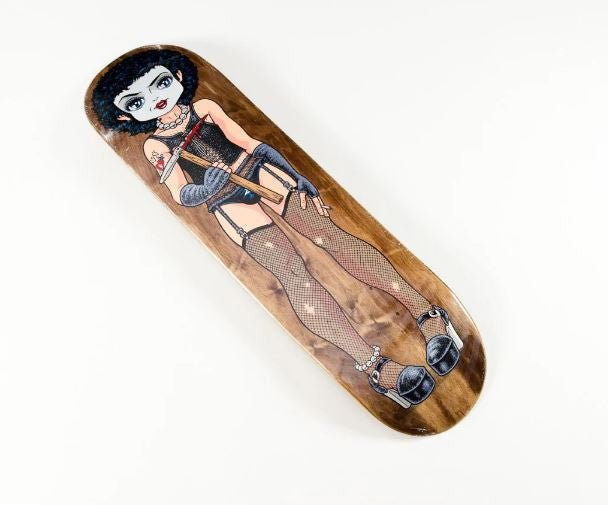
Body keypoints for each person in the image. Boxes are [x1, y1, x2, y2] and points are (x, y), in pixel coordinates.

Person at [92, 49, 464, 409]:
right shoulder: (156, 147)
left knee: (331, 237)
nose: (155, 100)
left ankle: (428, 314)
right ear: (125, 116)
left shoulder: (204, 108)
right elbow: (181, 194)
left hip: (258, 171)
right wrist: (205, 188)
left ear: (177, 76)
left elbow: (250, 144)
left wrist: (299, 177)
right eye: (137, 101)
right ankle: (374, 366)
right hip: (225, 201)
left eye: (160, 84)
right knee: (293, 275)